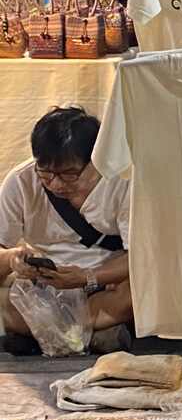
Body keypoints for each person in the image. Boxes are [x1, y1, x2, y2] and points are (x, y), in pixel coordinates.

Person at [0, 107, 133, 354]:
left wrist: (87, 277)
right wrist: (14, 259)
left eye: (69, 174)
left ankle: (44, 334)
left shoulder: (121, 181)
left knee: (140, 290)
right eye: (46, 174)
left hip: (104, 286)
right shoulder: (20, 181)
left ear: (95, 160)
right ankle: (90, 334)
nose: (57, 184)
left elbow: (143, 257)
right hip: (44, 292)